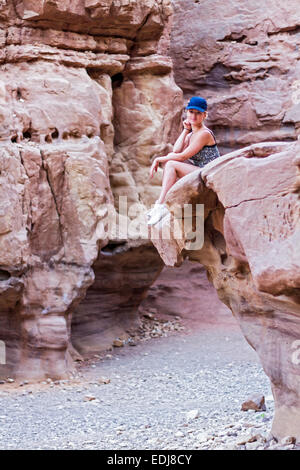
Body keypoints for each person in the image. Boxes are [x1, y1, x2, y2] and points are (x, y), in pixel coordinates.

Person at [146, 96, 220, 225]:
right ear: (186, 112)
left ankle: (161, 205)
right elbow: (176, 150)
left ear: (204, 115)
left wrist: (158, 159)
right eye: (191, 112)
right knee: (171, 163)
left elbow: (182, 157)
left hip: (210, 174)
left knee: (171, 164)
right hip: (201, 172)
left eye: (198, 113)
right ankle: (162, 205)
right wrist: (186, 130)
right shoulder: (191, 134)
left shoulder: (204, 134)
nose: (194, 116)